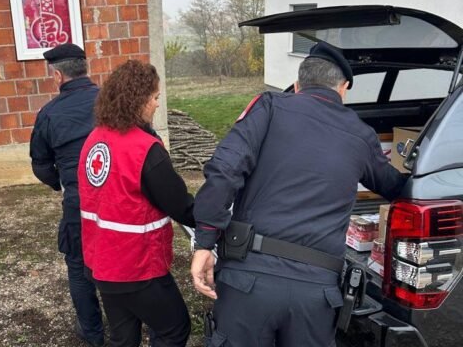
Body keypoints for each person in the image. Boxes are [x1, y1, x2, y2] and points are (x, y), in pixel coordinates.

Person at [190, 41, 409, 347]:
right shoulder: (361, 135)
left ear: (297, 85)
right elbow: (396, 187)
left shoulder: (269, 107)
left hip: (248, 280)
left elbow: (225, 169)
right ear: (343, 88)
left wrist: (205, 241)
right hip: (316, 294)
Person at [78, 60, 195, 347]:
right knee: (174, 328)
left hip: (101, 261)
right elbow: (181, 206)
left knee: (123, 337)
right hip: (137, 265)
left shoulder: (95, 139)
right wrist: (216, 212)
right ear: (138, 100)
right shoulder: (144, 149)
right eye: (154, 97)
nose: (157, 104)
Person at [29, 43, 104, 347]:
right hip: (121, 198)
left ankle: (92, 333)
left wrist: (61, 184)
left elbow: (40, 165)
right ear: (85, 69)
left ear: (58, 76)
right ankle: (127, 327)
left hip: (79, 203)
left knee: (78, 265)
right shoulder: (112, 101)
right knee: (123, 260)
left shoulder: (48, 114)